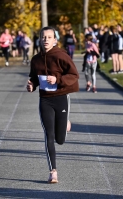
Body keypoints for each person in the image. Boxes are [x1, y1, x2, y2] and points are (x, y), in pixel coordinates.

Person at [26, 26, 79, 183]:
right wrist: (31, 85)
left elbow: (74, 75)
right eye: (43, 37)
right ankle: (53, 171)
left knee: (60, 139)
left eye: (49, 37)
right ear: (40, 39)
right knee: (49, 135)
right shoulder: (36, 59)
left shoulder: (61, 56)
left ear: (55, 40)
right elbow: (33, 77)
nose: (46, 40)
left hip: (61, 97)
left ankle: (65, 123)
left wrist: (58, 80)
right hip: (45, 100)